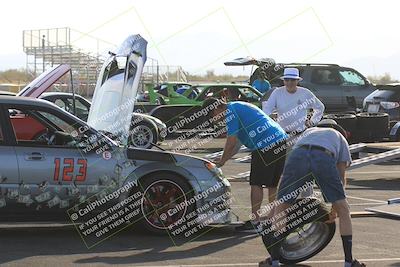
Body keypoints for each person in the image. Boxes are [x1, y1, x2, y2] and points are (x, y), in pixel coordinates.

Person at [259, 120, 366, 267]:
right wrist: (336, 207)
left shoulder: (308, 132)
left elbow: (287, 170)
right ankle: (349, 262)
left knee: (282, 207)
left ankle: (274, 261)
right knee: (344, 209)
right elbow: (341, 174)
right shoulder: (340, 138)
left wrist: (279, 200)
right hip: (323, 155)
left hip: (298, 155)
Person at [202, 98, 288, 233]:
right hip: (279, 139)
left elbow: (231, 142)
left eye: (212, 116)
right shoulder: (236, 107)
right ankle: (273, 218)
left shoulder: (230, 113)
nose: (214, 120)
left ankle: (256, 222)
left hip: (264, 144)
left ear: (217, 108)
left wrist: (222, 161)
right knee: (272, 184)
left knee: (256, 183)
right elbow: (236, 145)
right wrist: (223, 159)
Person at [262, 67, 325, 143]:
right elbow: (266, 109)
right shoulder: (277, 92)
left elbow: (320, 107)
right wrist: (270, 117)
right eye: (287, 80)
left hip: (301, 134)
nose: (289, 82)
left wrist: (313, 121)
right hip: (282, 135)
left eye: (293, 80)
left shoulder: (305, 93)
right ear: (284, 81)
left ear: (297, 81)